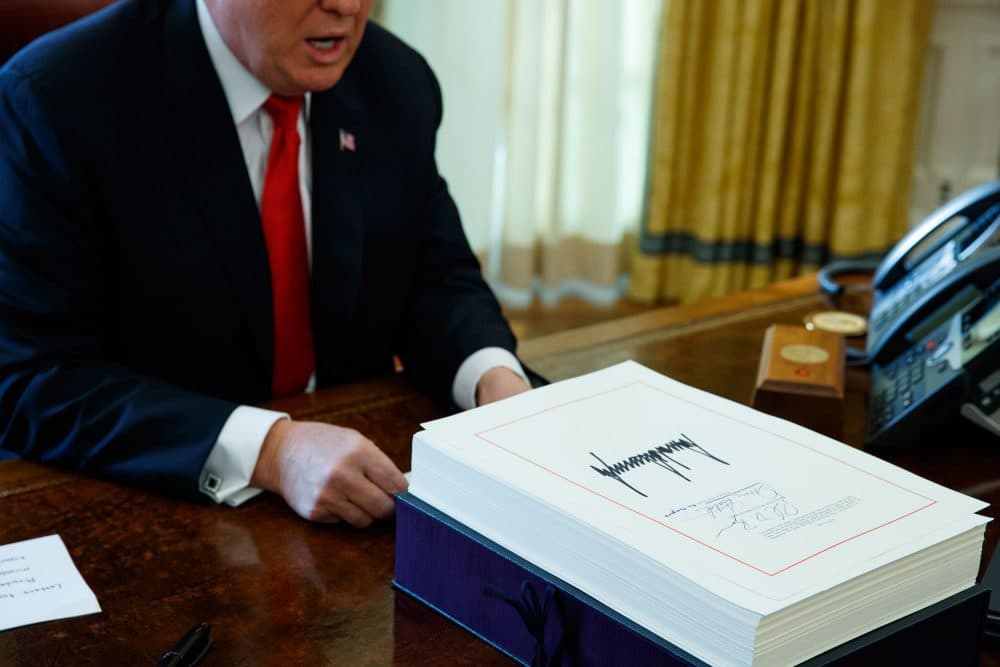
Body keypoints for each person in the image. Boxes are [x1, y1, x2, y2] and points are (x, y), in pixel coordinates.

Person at [0, 0, 531, 525]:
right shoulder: (56, 97)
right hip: (144, 507)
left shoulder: (393, 80)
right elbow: (30, 376)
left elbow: (435, 276)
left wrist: (495, 380)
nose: (346, 6)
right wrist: (270, 451)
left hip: (357, 502)